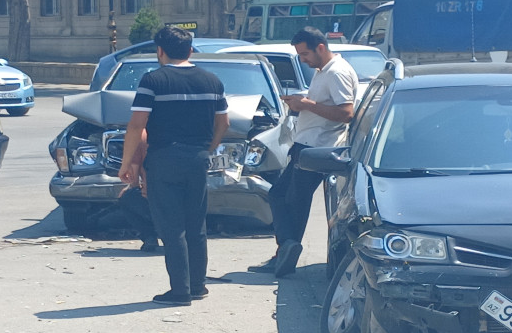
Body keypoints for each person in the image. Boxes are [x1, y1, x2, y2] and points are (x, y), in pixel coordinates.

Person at [120, 26, 228, 305]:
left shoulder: (153, 81)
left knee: (171, 226)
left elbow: (137, 125)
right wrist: (208, 148)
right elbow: (223, 123)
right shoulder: (212, 81)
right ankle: (198, 286)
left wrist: (127, 162)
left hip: (164, 158)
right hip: (197, 159)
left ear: (160, 51)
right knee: (196, 224)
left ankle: (180, 291)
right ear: (190, 50)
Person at [249, 26, 358, 277]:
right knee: (284, 196)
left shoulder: (337, 72)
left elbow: (346, 113)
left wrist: (306, 104)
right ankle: (286, 249)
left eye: (305, 54)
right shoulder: (324, 70)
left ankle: (286, 250)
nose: (303, 60)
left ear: (320, 47)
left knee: (289, 198)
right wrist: (302, 103)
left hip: (319, 147)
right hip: (308, 143)